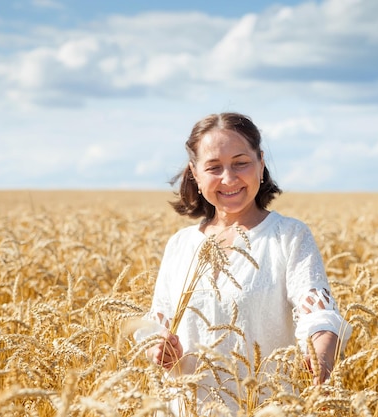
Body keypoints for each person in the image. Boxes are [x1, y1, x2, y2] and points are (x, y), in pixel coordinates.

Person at [137, 112, 350, 410]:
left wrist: (321, 356)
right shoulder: (180, 245)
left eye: (241, 163)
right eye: (214, 167)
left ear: (261, 164)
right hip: (189, 408)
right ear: (195, 174)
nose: (229, 178)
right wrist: (158, 348)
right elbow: (155, 324)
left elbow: (319, 316)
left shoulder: (289, 236)